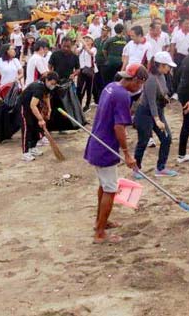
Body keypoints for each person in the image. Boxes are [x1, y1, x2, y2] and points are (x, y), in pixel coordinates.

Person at [84, 63, 146, 244]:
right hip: (105, 146)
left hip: (96, 142)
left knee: (104, 185)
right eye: (140, 84)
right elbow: (119, 126)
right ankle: (100, 233)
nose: (139, 88)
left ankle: (100, 222)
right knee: (110, 189)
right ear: (135, 80)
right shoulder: (122, 96)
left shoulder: (110, 87)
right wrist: (127, 153)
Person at [133, 52, 177, 178]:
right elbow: (151, 101)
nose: (169, 68)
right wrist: (157, 120)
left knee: (166, 139)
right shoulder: (150, 79)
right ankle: (136, 168)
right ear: (161, 65)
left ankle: (161, 168)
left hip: (158, 111)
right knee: (143, 141)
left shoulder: (162, 76)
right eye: (168, 66)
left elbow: (163, 93)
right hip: (145, 113)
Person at [19, 72, 58, 161]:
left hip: (35, 107)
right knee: (27, 128)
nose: (53, 86)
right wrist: (40, 119)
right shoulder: (38, 88)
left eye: (54, 84)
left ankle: (33, 147)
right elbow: (32, 105)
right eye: (52, 84)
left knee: (36, 127)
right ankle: (25, 153)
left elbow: (47, 95)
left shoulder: (46, 86)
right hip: (25, 107)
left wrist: (49, 108)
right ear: (47, 80)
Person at [77, 35, 97, 111]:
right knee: (80, 87)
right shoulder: (81, 48)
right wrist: (81, 45)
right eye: (85, 39)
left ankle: (87, 105)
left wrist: (84, 44)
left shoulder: (94, 49)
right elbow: (76, 52)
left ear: (92, 41)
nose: (86, 40)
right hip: (82, 70)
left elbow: (91, 53)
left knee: (89, 88)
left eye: (88, 39)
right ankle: (79, 104)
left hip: (89, 70)